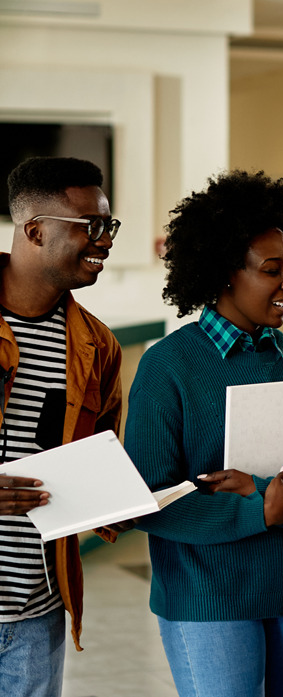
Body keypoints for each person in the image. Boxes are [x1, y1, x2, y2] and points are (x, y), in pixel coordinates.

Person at [123, 170, 283, 697]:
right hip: (206, 597)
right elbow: (146, 499)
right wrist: (261, 508)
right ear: (226, 272)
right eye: (273, 270)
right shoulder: (169, 366)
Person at [0, 156, 123, 697]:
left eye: (108, 226)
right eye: (90, 226)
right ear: (34, 230)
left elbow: (104, 456)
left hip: (36, 609)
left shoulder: (97, 345)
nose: (105, 240)